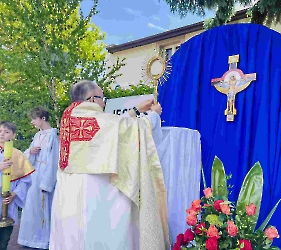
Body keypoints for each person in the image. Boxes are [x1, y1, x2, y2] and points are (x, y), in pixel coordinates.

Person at [49, 80, 170, 250]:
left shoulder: (71, 118)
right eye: (102, 97)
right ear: (92, 99)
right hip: (95, 195)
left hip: (69, 195)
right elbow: (131, 129)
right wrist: (154, 115)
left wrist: (135, 110)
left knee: (72, 237)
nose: (104, 102)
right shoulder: (92, 116)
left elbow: (112, 129)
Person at [18, 107, 60, 249]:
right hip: (34, 175)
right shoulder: (37, 136)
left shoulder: (53, 136)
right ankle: (29, 239)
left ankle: (42, 240)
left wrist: (47, 183)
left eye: (34, 119)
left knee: (43, 209)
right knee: (31, 208)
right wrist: (31, 151)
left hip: (44, 177)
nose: (32, 122)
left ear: (43, 118)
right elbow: (27, 156)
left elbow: (54, 161)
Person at [0, 121, 34, 250]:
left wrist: (14, 194)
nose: (2, 134)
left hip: (9, 201)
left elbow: (26, 180)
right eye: (0, 131)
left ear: (13, 135)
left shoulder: (19, 155)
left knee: (4, 239)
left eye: (6, 132)